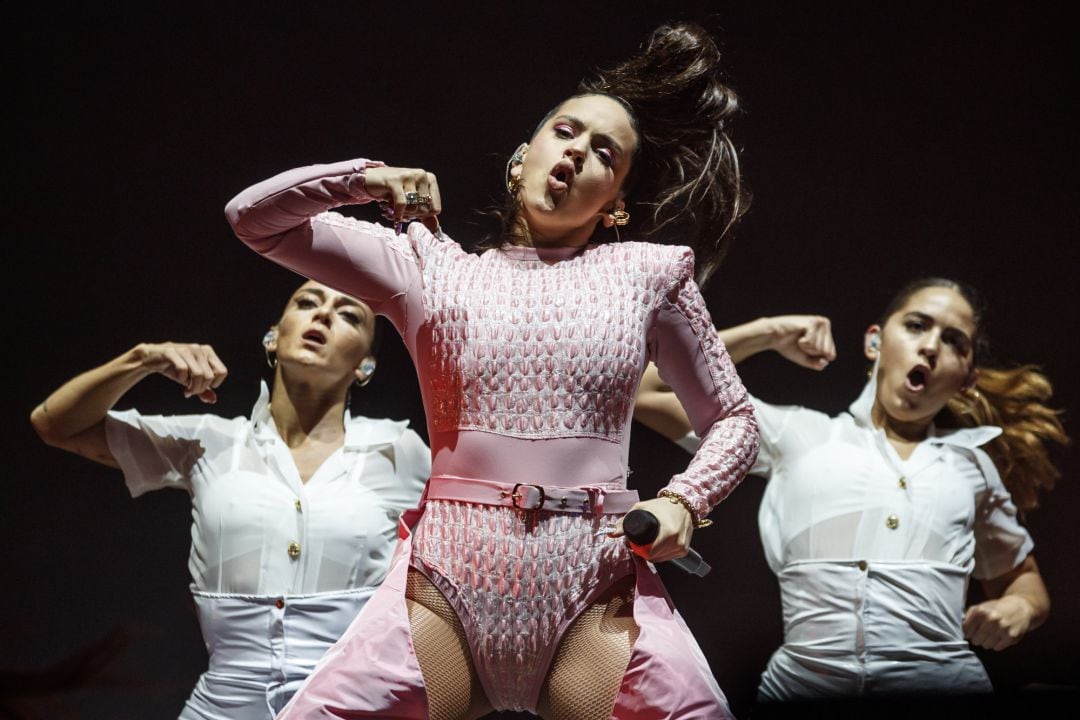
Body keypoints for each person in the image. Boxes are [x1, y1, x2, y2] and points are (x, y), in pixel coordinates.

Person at [224, 21, 759, 720]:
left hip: (593, 586)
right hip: (445, 586)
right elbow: (253, 220)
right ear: (521, 158)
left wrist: (685, 500)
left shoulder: (649, 274)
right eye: (566, 131)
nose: (577, 153)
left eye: (605, 153)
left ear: (616, 201)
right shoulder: (425, 264)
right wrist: (362, 180)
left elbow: (735, 420)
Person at [634, 279, 1069, 705]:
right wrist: (767, 333)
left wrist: (1019, 609)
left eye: (954, 341)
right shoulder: (801, 436)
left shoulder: (971, 468)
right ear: (875, 342)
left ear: (967, 378)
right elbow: (645, 388)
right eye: (917, 325)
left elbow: (1024, 582)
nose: (931, 347)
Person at [29, 280, 431, 719]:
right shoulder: (211, 442)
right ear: (273, 338)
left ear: (365, 366)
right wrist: (142, 359)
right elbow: (56, 425)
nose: (323, 315)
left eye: (349, 315)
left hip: (350, 710)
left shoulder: (400, 451)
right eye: (307, 302)